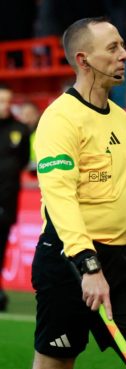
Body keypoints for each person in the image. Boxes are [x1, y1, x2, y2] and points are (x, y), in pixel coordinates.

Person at [31, 17, 126, 369]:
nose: (125, 54)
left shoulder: (121, 118)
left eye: (123, 45)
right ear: (83, 59)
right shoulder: (58, 119)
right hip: (70, 262)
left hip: (120, 262)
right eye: (113, 48)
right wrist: (87, 264)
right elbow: (59, 198)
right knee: (55, 366)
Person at [0, 84, 30, 311]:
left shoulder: (20, 129)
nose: (4, 106)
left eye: (8, 101)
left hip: (8, 199)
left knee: (1, 244)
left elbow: (22, 160)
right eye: (1, 101)